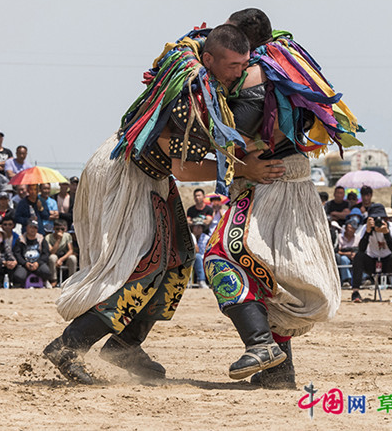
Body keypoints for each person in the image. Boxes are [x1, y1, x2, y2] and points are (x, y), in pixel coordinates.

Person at [45, 23, 291, 385]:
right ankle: (68, 346)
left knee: (179, 259)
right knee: (143, 266)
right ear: (209, 59)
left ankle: (125, 345)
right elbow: (182, 164)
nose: (239, 72)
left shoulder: (210, 85)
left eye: (243, 64)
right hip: (127, 173)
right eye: (232, 66)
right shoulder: (190, 93)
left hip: (155, 176)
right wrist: (243, 168)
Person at [202, 8, 362, 389]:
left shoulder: (255, 73)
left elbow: (234, 133)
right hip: (297, 182)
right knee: (272, 274)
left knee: (220, 256)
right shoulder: (287, 66)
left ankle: (260, 346)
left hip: (269, 183)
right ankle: (279, 372)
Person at [350, 204, 392, 303]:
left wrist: (386, 234)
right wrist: (367, 232)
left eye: (381, 218)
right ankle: (355, 292)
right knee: (358, 256)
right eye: (375, 219)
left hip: (388, 261)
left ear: (386, 219)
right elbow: (362, 249)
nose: (378, 222)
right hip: (372, 261)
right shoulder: (365, 228)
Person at [13, 220, 52, 287]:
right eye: (31, 227)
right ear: (26, 228)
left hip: (38, 264)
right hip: (24, 265)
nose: (33, 229)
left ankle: (45, 281)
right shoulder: (20, 239)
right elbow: (17, 254)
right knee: (18, 276)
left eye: (35, 228)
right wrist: (25, 263)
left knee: (46, 272)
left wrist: (38, 263)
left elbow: (46, 254)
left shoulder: (42, 239)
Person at [46, 220, 77, 286]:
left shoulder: (67, 236)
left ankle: (71, 280)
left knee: (73, 258)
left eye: (62, 229)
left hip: (64, 256)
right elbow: (52, 252)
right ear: (54, 228)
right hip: (55, 255)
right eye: (57, 229)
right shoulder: (48, 237)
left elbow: (70, 250)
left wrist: (61, 260)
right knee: (52, 257)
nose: (60, 231)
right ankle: (54, 280)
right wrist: (58, 240)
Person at [335, 217, 359, 287]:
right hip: (343, 255)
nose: (352, 230)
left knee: (360, 258)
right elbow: (337, 251)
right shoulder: (339, 237)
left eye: (354, 229)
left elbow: (361, 249)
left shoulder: (357, 238)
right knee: (344, 259)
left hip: (355, 255)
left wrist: (355, 254)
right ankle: (346, 280)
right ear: (345, 228)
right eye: (350, 228)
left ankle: (365, 279)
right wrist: (346, 254)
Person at [189, 217, 209, 288]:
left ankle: (202, 280)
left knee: (199, 257)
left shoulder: (206, 238)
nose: (198, 228)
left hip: (204, 257)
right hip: (192, 257)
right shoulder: (190, 236)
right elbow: (196, 251)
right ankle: (201, 280)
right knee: (197, 257)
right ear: (193, 228)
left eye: (200, 227)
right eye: (196, 226)